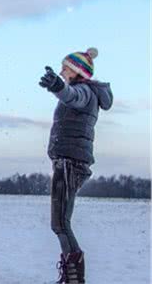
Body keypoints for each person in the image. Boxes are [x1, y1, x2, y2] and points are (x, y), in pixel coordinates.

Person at [39, 47, 113, 284]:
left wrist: (58, 87)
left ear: (77, 71)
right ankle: (72, 277)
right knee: (60, 223)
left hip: (70, 162)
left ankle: (74, 278)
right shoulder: (85, 91)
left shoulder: (84, 92)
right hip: (69, 161)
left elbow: (72, 96)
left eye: (65, 68)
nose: (61, 72)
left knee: (60, 223)